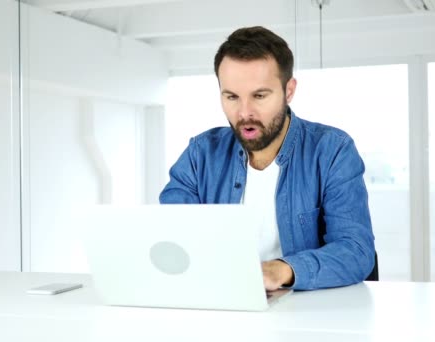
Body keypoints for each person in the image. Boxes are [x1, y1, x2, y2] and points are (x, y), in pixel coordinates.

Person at [159, 26, 375, 291]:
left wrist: (283, 270)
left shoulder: (332, 151)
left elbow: (355, 251)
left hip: (304, 314)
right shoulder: (200, 154)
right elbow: (171, 239)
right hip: (218, 304)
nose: (244, 112)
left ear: (289, 90)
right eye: (232, 97)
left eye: (259, 96)